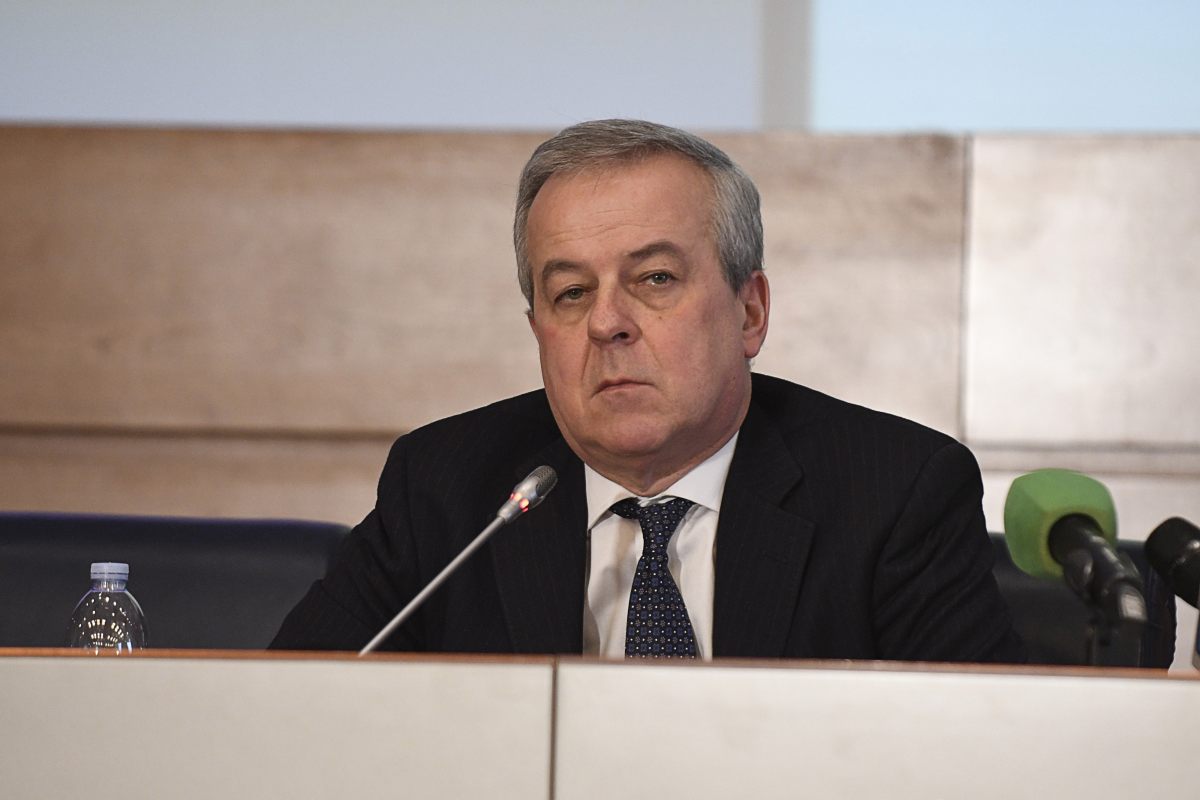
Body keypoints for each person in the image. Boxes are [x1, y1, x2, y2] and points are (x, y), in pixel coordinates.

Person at [271, 119, 1024, 662]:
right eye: (570, 293)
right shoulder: (446, 490)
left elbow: (971, 752)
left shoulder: (895, 493)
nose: (606, 323)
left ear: (749, 311)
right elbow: (289, 711)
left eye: (655, 279)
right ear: (537, 329)